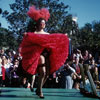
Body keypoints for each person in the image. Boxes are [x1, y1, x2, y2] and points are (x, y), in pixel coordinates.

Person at [20, 5, 69, 98]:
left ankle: (39, 88)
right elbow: (28, 41)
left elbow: (55, 40)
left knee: (46, 74)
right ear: (38, 24)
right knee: (42, 71)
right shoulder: (34, 34)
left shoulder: (47, 34)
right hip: (38, 55)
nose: (43, 24)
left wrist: (64, 37)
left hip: (48, 55)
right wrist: (26, 35)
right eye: (41, 23)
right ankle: (40, 91)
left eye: (44, 23)